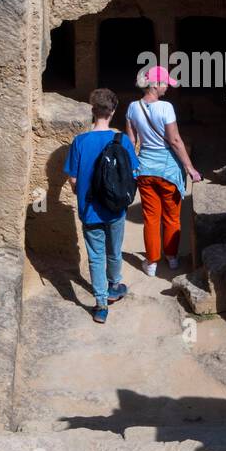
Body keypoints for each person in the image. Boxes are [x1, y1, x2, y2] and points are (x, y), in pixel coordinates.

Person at [66, 88, 138, 324]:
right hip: (116, 208)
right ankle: (115, 285)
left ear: (92, 111)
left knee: (96, 256)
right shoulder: (123, 140)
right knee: (114, 250)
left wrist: (83, 191)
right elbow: (132, 172)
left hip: (90, 210)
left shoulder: (80, 142)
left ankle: (100, 305)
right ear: (113, 111)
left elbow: (74, 179)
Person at [125, 65, 202, 277]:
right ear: (155, 84)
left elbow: (132, 141)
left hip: (145, 169)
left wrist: (134, 166)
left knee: (151, 217)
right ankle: (172, 258)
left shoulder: (132, 108)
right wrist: (190, 168)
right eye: (165, 83)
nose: (167, 87)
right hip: (168, 169)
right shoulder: (166, 107)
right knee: (171, 217)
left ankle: (150, 262)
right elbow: (175, 140)